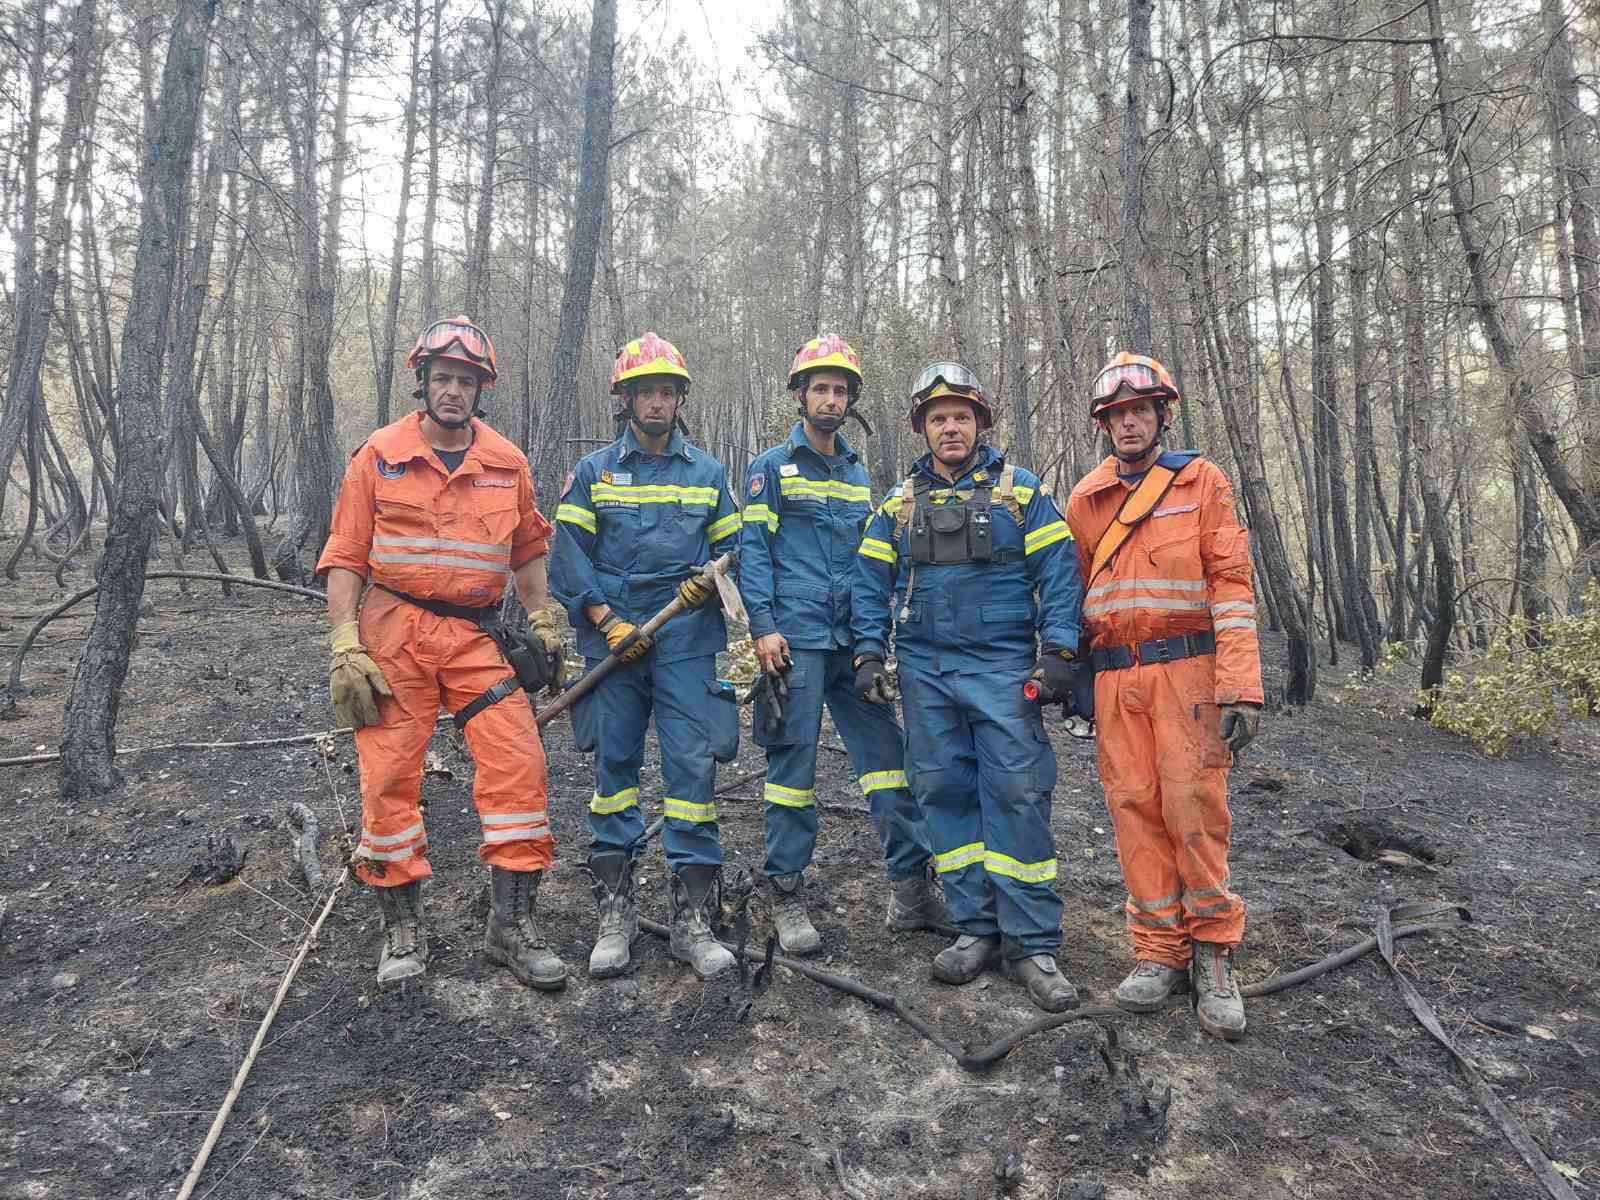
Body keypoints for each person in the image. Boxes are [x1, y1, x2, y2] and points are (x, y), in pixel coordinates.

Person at [316, 316, 569, 990]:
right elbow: (344, 555)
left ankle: (510, 930)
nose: (453, 390)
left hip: (475, 637)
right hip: (393, 632)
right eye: (443, 378)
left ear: (480, 389)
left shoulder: (506, 462)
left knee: (520, 765)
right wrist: (344, 642)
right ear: (423, 382)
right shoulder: (380, 454)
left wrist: (543, 620)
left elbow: (527, 550)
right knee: (390, 778)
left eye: (466, 380)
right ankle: (402, 930)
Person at [850, 361, 1084, 1012]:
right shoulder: (898, 503)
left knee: (1016, 791)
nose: (949, 428)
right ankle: (975, 927)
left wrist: (1059, 649)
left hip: (1004, 668)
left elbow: (1060, 574)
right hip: (926, 673)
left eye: (961, 416)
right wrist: (869, 652)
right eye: (937, 419)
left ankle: (1032, 944)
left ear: (980, 423)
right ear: (923, 429)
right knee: (944, 793)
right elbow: (870, 583)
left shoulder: (1022, 492)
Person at [1064, 351, 1263, 1040]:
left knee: (1193, 807)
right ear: (1103, 424)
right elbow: (1075, 597)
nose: (1127, 423)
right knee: (1133, 810)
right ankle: (1157, 950)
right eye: (1116, 415)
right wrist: (1074, 677)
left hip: (1191, 676)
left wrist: (1241, 686)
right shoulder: (1086, 500)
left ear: (1161, 414)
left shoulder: (1203, 482)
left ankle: (1213, 952)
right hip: (1119, 680)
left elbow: (1232, 586)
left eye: (1138, 410)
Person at [737, 336, 948, 955]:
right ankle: (785, 892)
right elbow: (755, 555)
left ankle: (910, 890)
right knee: (791, 774)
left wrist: (870, 643)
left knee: (888, 763)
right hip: (794, 641)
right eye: (820, 389)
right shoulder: (769, 468)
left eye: (840, 390)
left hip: (852, 643)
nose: (830, 400)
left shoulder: (859, 474)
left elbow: (869, 564)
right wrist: (763, 629)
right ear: (799, 395)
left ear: (851, 400)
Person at [551, 332, 743, 981]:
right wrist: (606, 621)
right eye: (645, 392)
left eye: (667, 392)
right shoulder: (594, 473)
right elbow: (568, 555)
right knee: (614, 774)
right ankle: (616, 911)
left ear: (679, 399)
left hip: (687, 639)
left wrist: (712, 582)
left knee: (693, 777)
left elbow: (735, 554)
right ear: (626, 399)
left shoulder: (708, 474)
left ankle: (692, 918)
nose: (656, 402)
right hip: (615, 640)